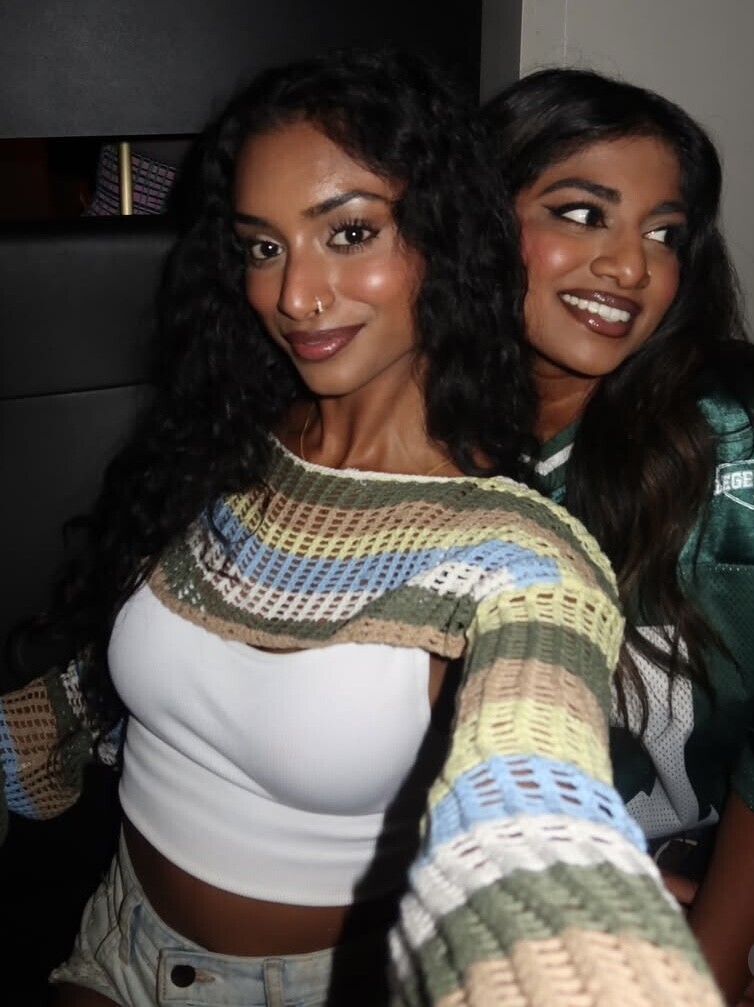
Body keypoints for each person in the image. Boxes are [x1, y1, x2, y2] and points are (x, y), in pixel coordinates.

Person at [0, 48, 723, 1007]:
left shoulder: (514, 551)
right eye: (264, 247)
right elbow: (128, 674)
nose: (294, 295)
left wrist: (558, 930)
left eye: (349, 233)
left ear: (445, 237)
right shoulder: (224, 440)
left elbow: (531, 756)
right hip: (110, 939)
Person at [483, 66, 754, 1005]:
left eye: (664, 233)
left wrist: (715, 950)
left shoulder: (726, 441)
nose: (632, 268)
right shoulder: (429, 438)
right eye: (582, 213)